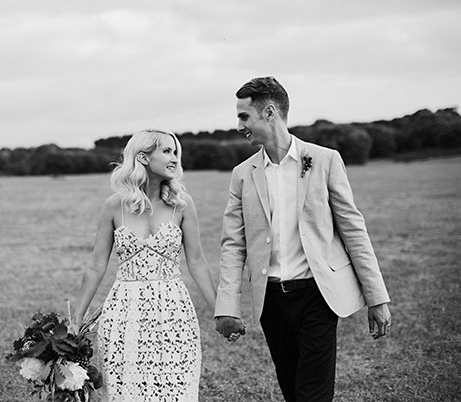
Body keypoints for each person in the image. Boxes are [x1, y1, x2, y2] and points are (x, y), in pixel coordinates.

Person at [214, 76, 392, 402]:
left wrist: (376, 297)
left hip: (317, 296)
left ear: (269, 112)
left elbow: (353, 229)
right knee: (292, 390)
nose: (239, 126)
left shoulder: (325, 160)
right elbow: (233, 245)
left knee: (313, 394)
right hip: (270, 301)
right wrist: (227, 307)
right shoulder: (242, 174)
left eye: (244, 116)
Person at [73, 129, 217, 402]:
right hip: (124, 314)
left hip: (174, 313)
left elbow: (197, 261)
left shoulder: (183, 205)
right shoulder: (113, 206)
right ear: (143, 157)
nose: (174, 158)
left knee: (176, 390)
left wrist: (220, 311)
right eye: (167, 151)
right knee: (127, 391)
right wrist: (76, 319)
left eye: (176, 152)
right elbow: (96, 265)